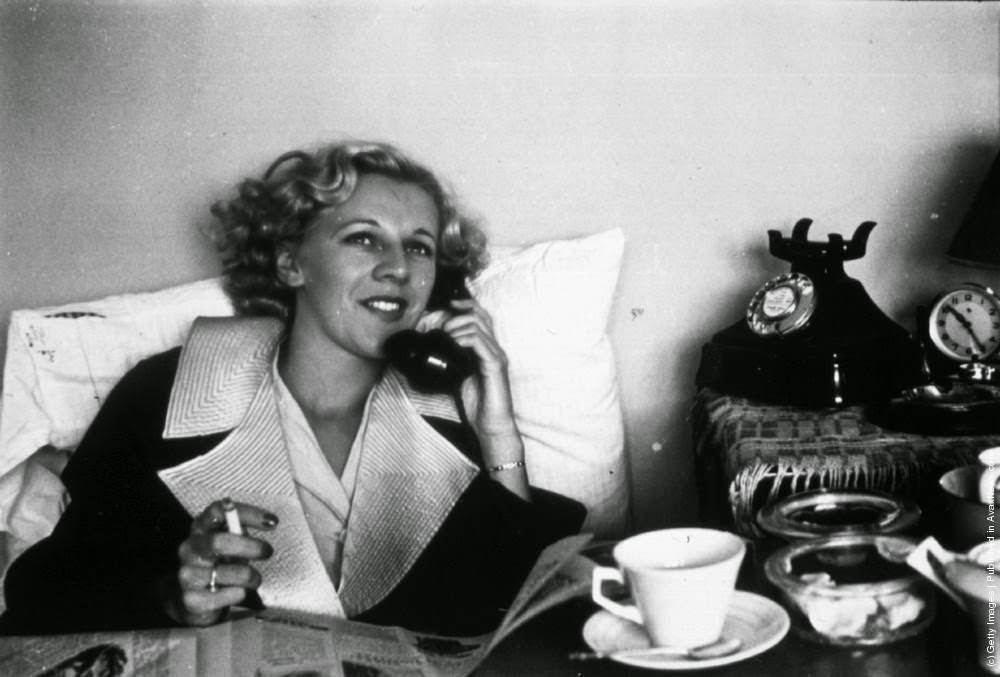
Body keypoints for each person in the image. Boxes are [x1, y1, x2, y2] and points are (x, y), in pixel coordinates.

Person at [0, 141, 585, 636]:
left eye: (419, 247)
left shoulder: (444, 412)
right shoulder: (167, 392)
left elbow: (505, 617)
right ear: (290, 264)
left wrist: (497, 430)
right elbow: (44, 592)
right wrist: (171, 597)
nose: (398, 268)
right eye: (363, 238)